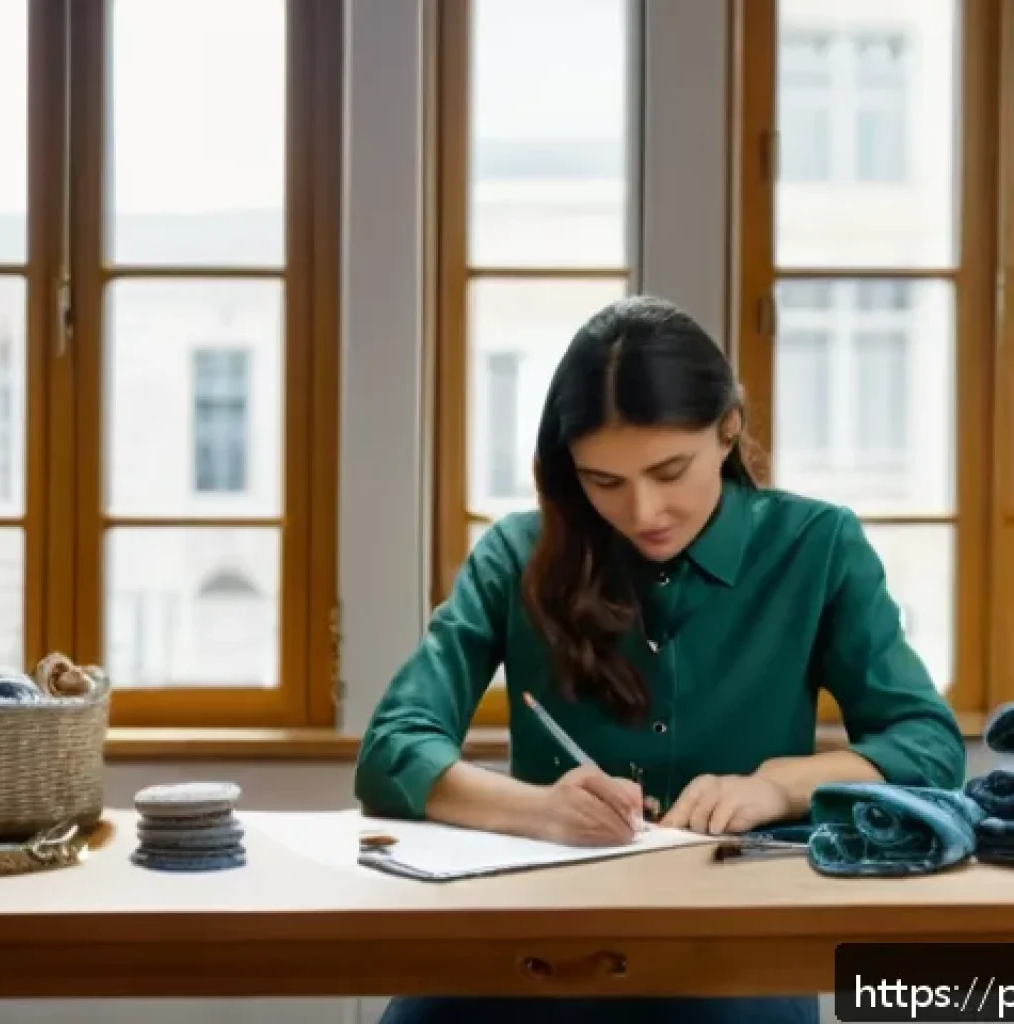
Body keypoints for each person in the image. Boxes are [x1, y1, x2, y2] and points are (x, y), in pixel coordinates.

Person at [354, 295, 965, 1024]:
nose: (644, 512)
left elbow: (927, 746)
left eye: (670, 470)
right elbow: (391, 750)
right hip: (534, 936)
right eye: (603, 481)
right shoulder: (515, 555)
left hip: (732, 944)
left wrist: (779, 787)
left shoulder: (819, 546)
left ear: (727, 428)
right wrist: (541, 811)